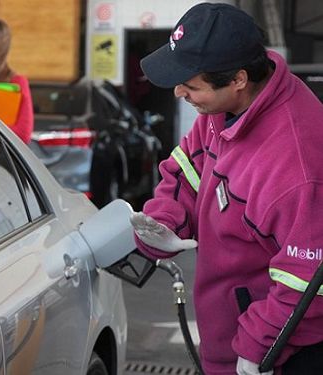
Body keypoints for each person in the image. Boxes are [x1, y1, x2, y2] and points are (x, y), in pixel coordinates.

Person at [129, 3, 323, 375]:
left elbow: (308, 282)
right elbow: (186, 167)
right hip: (226, 340)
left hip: (277, 357)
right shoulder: (223, 110)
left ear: (237, 79)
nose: (178, 92)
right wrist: (165, 221)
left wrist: (257, 348)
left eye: (191, 85)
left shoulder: (297, 166)